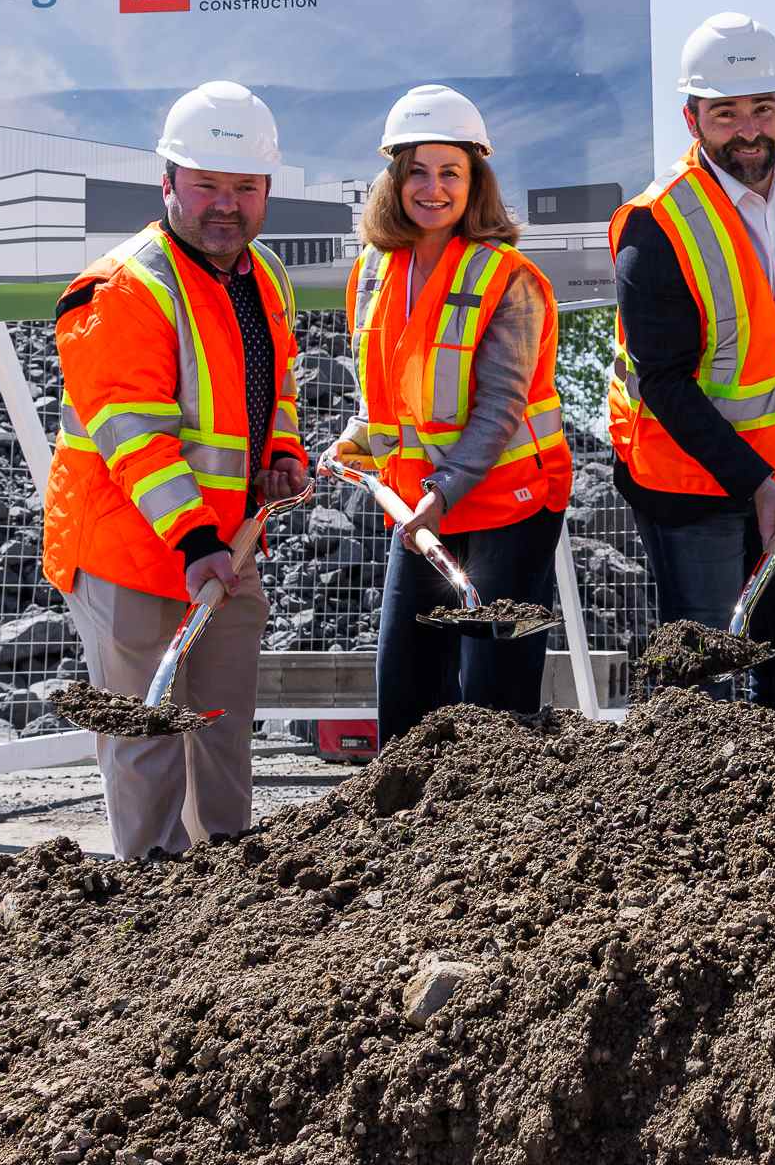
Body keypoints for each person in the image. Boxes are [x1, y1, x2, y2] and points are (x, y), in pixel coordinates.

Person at [42, 80, 310, 859]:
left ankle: (223, 886)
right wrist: (197, 546)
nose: (226, 204)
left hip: (228, 545)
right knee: (148, 735)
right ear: (168, 183)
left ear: (265, 191)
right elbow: (135, 438)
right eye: (207, 186)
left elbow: (277, 384)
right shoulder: (124, 289)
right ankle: (147, 897)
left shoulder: (265, 275)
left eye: (244, 188)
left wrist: (282, 456)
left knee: (220, 730)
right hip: (133, 550)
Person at [605, 12, 775, 720]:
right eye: (725, 113)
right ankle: (696, 824)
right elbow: (663, 384)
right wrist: (754, 483)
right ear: (692, 118)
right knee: (706, 671)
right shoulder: (656, 224)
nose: (748, 129)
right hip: (687, 479)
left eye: (762, 108)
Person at [330, 84, 572, 745]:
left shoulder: (508, 278)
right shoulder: (374, 273)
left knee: (495, 698)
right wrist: (357, 439)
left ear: (476, 182)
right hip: (423, 507)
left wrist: (441, 492)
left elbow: (500, 405)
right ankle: (409, 837)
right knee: (407, 691)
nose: (432, 188)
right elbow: (389, 393)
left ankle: (504, 838)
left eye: (450, 173)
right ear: (394, 181)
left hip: (508, 505)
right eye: (417, 172)